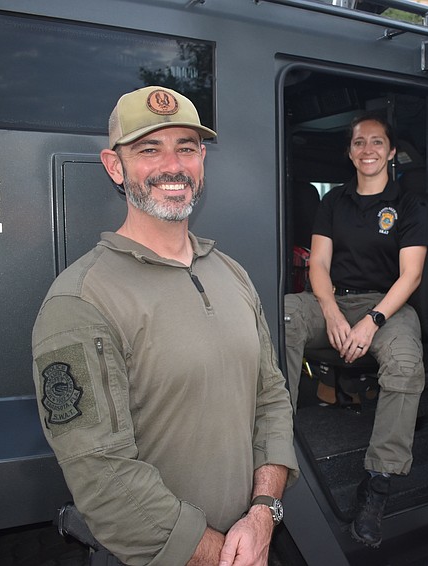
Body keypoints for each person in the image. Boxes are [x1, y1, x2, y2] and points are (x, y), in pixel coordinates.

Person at [32, 86, 298, 566]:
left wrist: (263, 513)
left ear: (202, 162)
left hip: (249, 542)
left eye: (187, 148)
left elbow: (272, 400)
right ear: (115, 167)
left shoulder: (231, 273)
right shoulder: (81, 299)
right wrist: (222, 555)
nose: (172, 166)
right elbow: (104, 477)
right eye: (149, 149)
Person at [283, 113, 428, 548]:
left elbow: (411, 276)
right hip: (333, 299)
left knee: (405, 363)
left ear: (391, 150)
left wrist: (372, 321)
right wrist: (329, 312)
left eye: (377, 142)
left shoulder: (409, 205)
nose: (368, 149)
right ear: (349, 151)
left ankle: (378, 482)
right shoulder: (332, 203)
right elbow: (319, 265)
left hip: (388, 305)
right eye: (359, 142)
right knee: (284, 316)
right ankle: (276, 450)